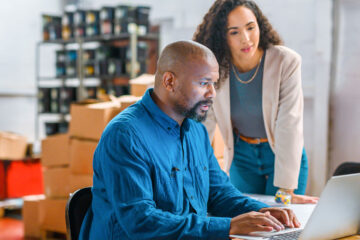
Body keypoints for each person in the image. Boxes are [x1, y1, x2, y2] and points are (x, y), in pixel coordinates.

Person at [79, 40, 300, 239]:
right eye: (204, 83)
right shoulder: (125, 136)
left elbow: (219, 193)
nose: (212, 93)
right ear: (169, 81)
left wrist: (261, 211)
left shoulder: (195, 131)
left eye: (214, 83)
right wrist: (228, 226)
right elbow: (141, 222)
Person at [193, 0, 318, 204]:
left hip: (281, 153)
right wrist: (196, 178)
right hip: (242, 157)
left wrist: (286, 190)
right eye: (234, 32)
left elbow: (289, 124)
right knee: (248, 219)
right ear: (221, 36)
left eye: (251, 27)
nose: (246, 39)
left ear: (260, 25)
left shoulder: (286, 62)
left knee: (281, 221)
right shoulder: (216, 69)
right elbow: (202, 127)